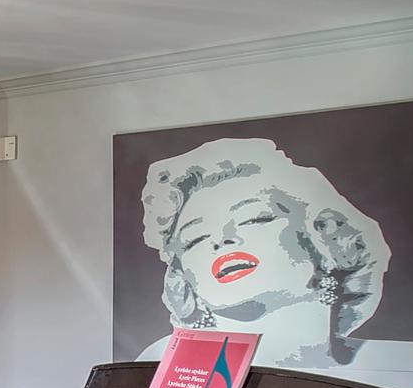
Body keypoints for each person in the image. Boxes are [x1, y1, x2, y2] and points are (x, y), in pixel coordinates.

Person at [135, 137, 396, 371]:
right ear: (183, 277)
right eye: (195, 239)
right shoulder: (162, 361)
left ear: (326, 241)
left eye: (254, 218)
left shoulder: (395, 363)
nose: (221, 239)